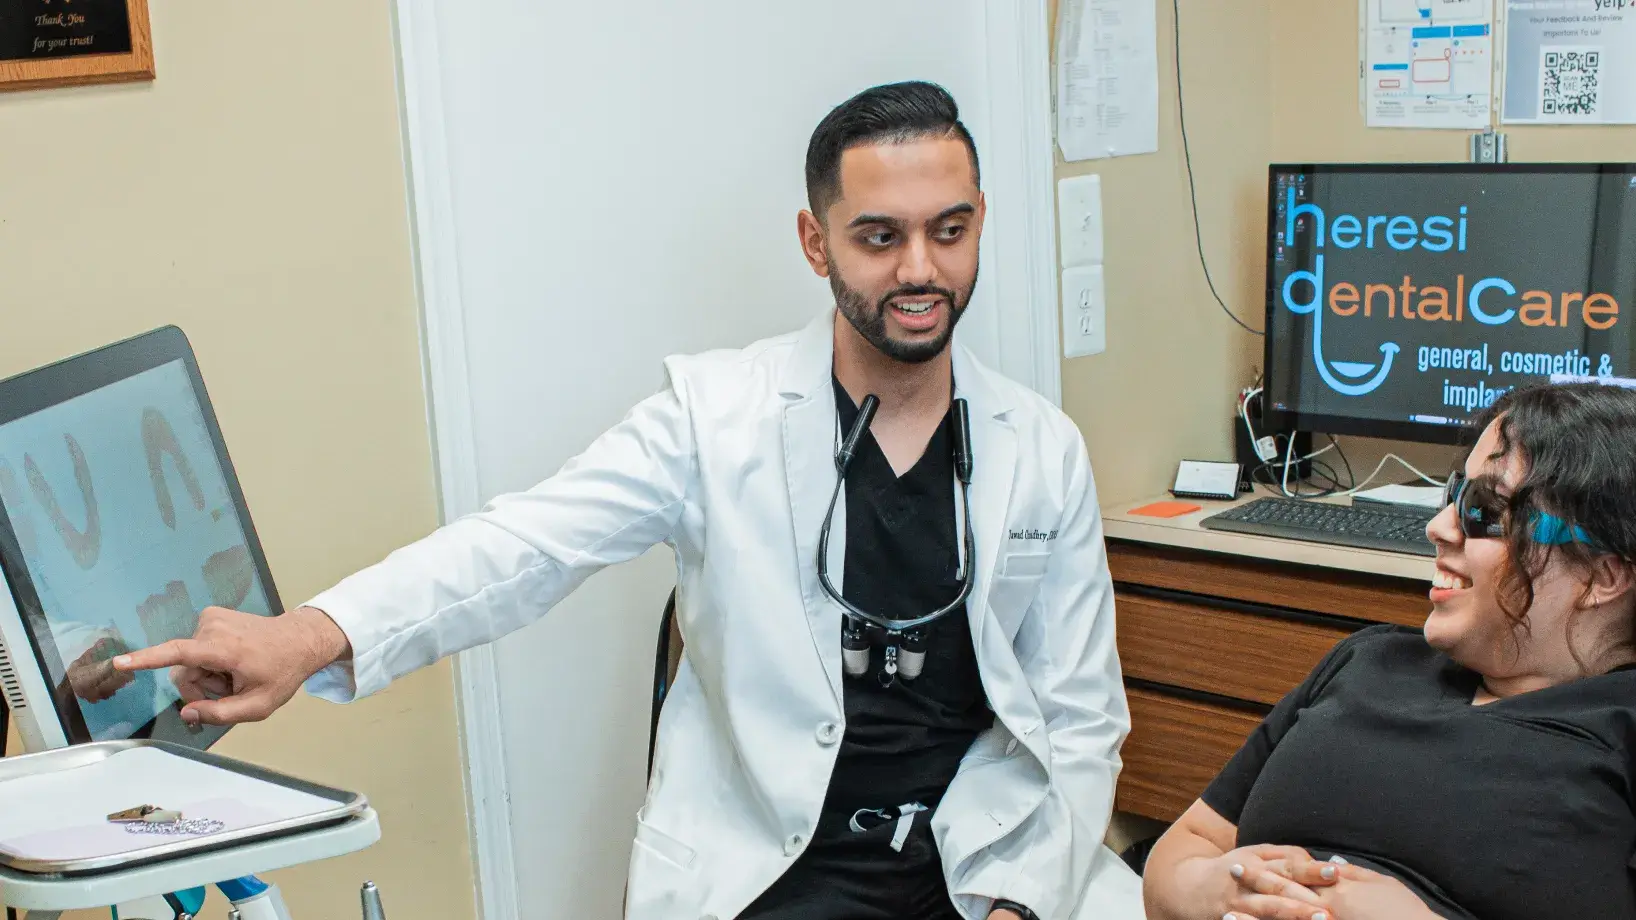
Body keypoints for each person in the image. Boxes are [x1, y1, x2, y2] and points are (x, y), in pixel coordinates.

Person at [115, 81, 1135, 920]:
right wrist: (309, 633)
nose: (921, 269)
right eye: (879, 236)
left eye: (947, 230)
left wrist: (1017, 904)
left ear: (978, 224)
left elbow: (1082, 724)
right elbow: (522, 545)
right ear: (815, 243)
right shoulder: (714, 416)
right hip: (773, 874)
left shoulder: (1039, 450)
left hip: (980, 864)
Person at [1140, 381, 1636, 920]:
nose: (1438, 527)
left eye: (1483, 510)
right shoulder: (1367, 662)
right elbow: (1186, 845)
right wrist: (1212, 888)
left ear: (1602, 577)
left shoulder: (1618, 728)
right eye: (1454, 495)